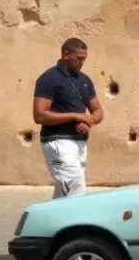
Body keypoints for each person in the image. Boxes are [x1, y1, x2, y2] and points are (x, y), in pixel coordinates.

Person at [33, 38, 103, 199]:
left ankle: (50, 223)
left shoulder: (85, 80)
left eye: (84, 58)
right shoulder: (49, 79)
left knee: (64, 195)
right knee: (76, 192)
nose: (82, 62)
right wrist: (75, 116)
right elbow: (39, 115)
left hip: (79, 144)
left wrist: (89, 121)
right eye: (79, 58)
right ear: (66, 54)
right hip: (58, 143)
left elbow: (98, 111)